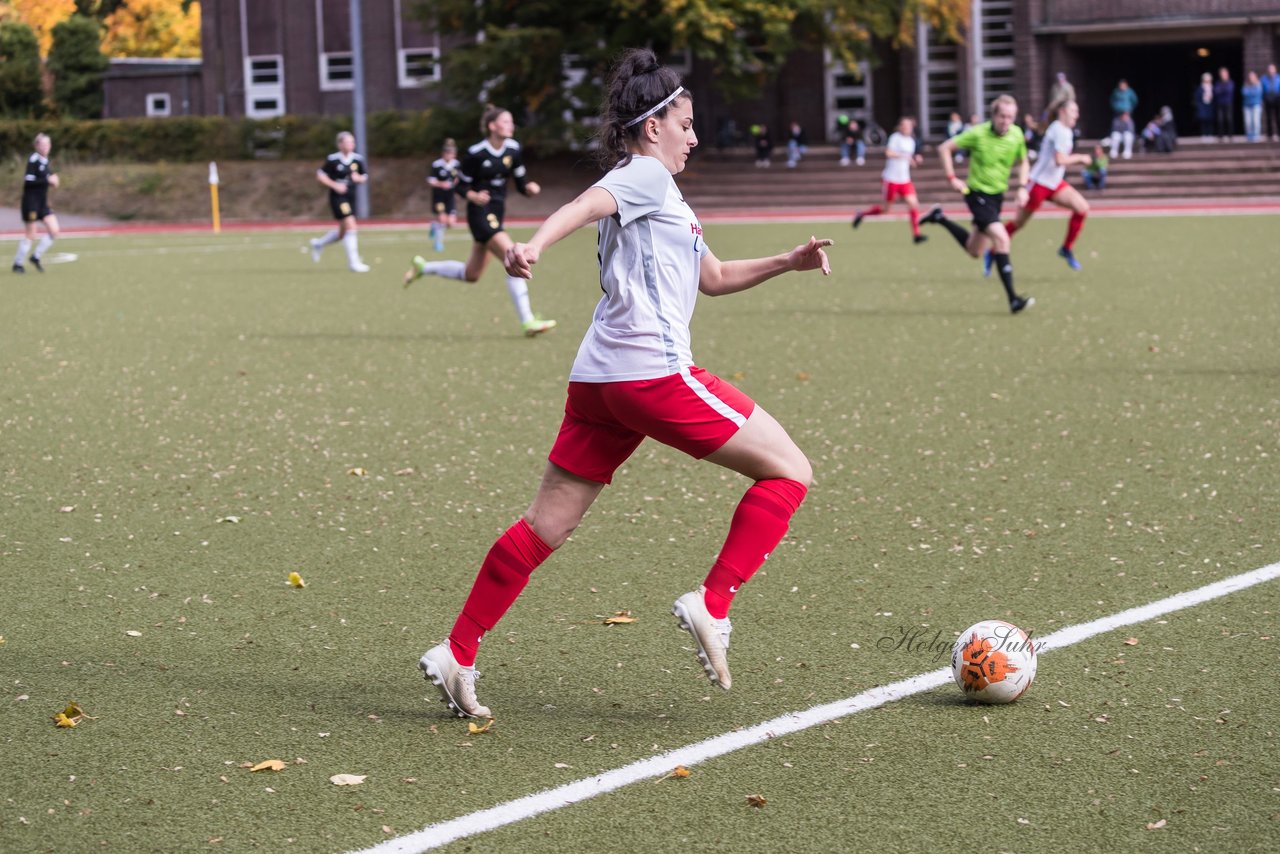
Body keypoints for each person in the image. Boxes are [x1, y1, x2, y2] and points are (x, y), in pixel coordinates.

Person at [416, 48, 832, 718]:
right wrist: (535, 246)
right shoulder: (641, 175)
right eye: (687, 124)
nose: (694, 137)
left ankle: (457, 652)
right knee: (791, 472)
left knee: (544, 525)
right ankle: (713, 603)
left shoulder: (662, 192)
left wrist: (789, 260)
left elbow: (715, 278)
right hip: (651, 376)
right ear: (652, 125)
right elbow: (586, 203)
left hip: (598, 383)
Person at [402, 106, 557, 337]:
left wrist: (529, 189)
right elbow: (460, 184)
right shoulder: (476, 153)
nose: (511, 125)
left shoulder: (513, 149)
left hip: (497, 212)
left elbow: (521, 181)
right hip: (479, 215)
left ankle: (424, 267)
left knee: (471, 274)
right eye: (506, 121)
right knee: (514, 257)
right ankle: (528, 321)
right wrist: (473, 195)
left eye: (512, 121)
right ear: (492, 126)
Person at [921, 94, 1034, 315]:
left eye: (1010, 117)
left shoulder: (1017, 135)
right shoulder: (978, 133)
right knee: (1001, 238)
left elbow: (1024, 162)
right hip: (976, 194)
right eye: (1002, 116)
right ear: (994, 115)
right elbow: (944, 148)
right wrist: (952, 177)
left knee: (975, 250)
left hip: (997, 197)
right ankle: (1013, 299)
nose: (1005, 121)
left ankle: (939, 217)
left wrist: (1022, 187)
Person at [1002, 99, 1093, 271]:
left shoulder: (1066, 130)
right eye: (1074, 111)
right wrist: (1081, 158)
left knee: (1082, 208)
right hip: (1039, 183)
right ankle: (994, 250)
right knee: (1019, 223)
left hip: (1054, 183)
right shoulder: (1058, 129)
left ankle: (1066, 249)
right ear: (1063, 111)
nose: (1077, 115)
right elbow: (1060, 160)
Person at [852, 115, 928, 244]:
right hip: (891, 179)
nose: (907, 128)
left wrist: (914, 160)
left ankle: (916, 234)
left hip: (905, 179)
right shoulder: (895, 138)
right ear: (901, 126)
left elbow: (909, 157)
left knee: (914, 204)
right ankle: (862, 214)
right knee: (886, 209)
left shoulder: (911, 141)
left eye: (909, 126)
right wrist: (904, 156)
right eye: (905, 125)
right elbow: (888, 153)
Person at [308, 131, 370, 273]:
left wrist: (358, 178)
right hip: (338, 198)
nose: (351, 145)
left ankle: (319, 244)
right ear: (340, 144)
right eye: (348, 142)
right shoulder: (333, 160)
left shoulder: (357, 160)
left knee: (343, 232)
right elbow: (320, 175)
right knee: (351, 226)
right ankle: (353, 263)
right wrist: (335, 185)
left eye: (352, 142)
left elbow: (364, 176)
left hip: (351, 197)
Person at [13, 133, 60, 274]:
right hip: (31, 204)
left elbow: (47, 179)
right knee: (31, 234)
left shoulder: (45, 161)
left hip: (42, 204)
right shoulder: (33, 160)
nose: (46, 147)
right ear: (37, 146)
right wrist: (48, 181)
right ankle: (18, 264)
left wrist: (53, 181)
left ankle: (36, 256)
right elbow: (28, 181)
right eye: (43, 144)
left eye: (48, 144)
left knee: (54, 230)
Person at [427, 139, 460, 252]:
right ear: (443, 153)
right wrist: (442, 184)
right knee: (442, 219)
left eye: (451, 153)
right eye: (447, 152)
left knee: (451, 223)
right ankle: (438, 244)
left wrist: (457, 185)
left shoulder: (456, 164)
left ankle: (433, 225)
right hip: (439, 196)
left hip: (450, 197)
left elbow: (458, 178)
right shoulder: (436, 165)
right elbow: (430, 180)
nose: (449, 155)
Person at [1213, 67, 1235, 140]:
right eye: (1222, 73)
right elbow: (1215, 91)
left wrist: (1221, 90)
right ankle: (1220, 135)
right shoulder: (1218, 83)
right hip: (1220, 104)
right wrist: (1223, 90)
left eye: (1224, 73)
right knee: (1220, 119)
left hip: (1228, 103)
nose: (1223, 75)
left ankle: (1230, 135)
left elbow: (1228, 90)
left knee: (1229, 119)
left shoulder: (1230, 82)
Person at [1242, 71, 1263, 142]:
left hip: (1256, 105)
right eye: (1250, 77)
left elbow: (1257, 93)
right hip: (1247, 106)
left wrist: (1250, 92)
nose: (1251, 78)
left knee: (1255, 121)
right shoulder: (1246, 84)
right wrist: (1252, 92)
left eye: (1252, 76)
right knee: (1248, 122)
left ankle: (1256, 135)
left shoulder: (1258, 84)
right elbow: (1244, 93)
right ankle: (1249, 135)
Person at [1262, 63, 1280, 142]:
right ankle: (1270, 135)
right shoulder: (1264, 79)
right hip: (1267, 98)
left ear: (1275, 70)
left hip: (1277, 98)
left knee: (1278, 117)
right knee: (1268, 117)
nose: (1271, 71)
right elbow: (1261, 90)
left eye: (1272, 69)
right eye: (1269, 69)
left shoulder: (1278, 78)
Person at [1194, 73, 1215, 138]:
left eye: (1208, 80)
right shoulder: (1200, 88)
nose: (1207, 81)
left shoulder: (1212, 88)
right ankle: (1204, 135)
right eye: (1206, 80)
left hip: (1210, 106)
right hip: (1203, 107)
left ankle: (1210, 134)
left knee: (1210, 121)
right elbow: (1197, 97)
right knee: (1203, 121)